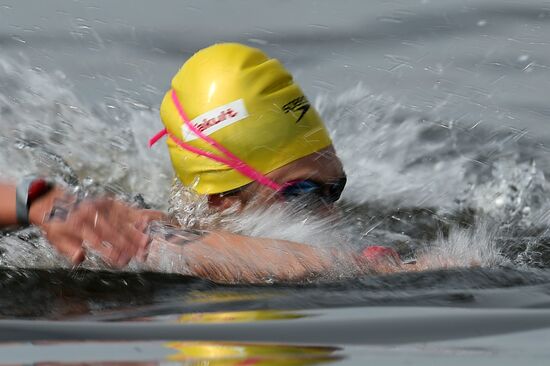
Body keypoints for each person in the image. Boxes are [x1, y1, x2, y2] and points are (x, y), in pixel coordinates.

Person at [0, 43, 403, 283]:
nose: (327, 215)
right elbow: (176, 246)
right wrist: (37, 200)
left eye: (333, 190)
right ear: (221, 199)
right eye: (299, 193)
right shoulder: (137, 237)